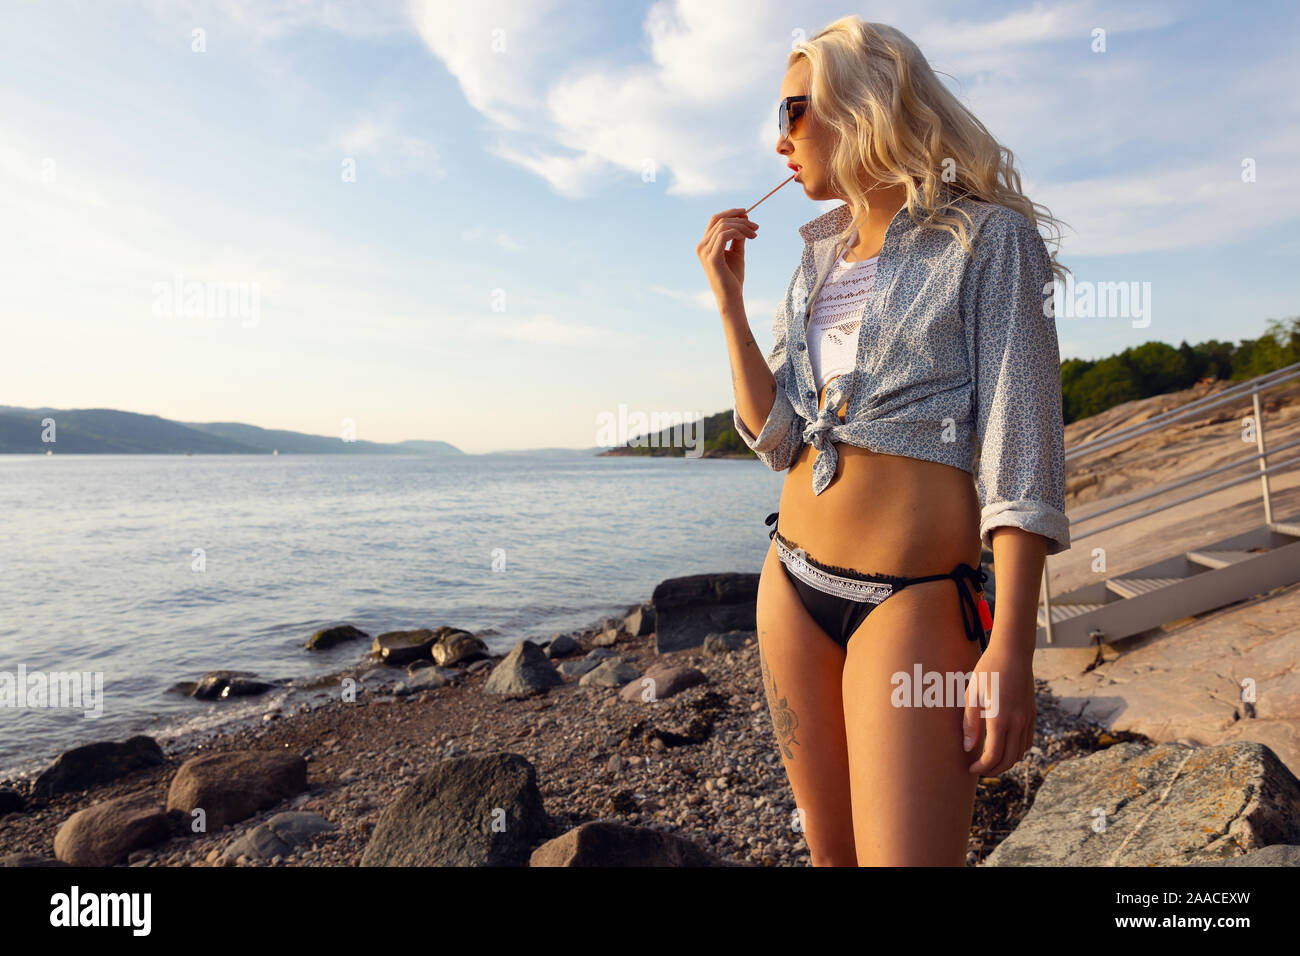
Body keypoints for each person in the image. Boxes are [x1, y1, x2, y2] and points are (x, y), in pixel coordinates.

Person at [696, 17, 1071, 866]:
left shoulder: (987, 240)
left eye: (795, 110)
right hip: (790, 583)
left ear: (859, 102)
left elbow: (1022, 448)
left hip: (914, 602)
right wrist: (727, 305)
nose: (779, 137)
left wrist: (1010, 645)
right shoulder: (814, 264)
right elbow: (779, 438)